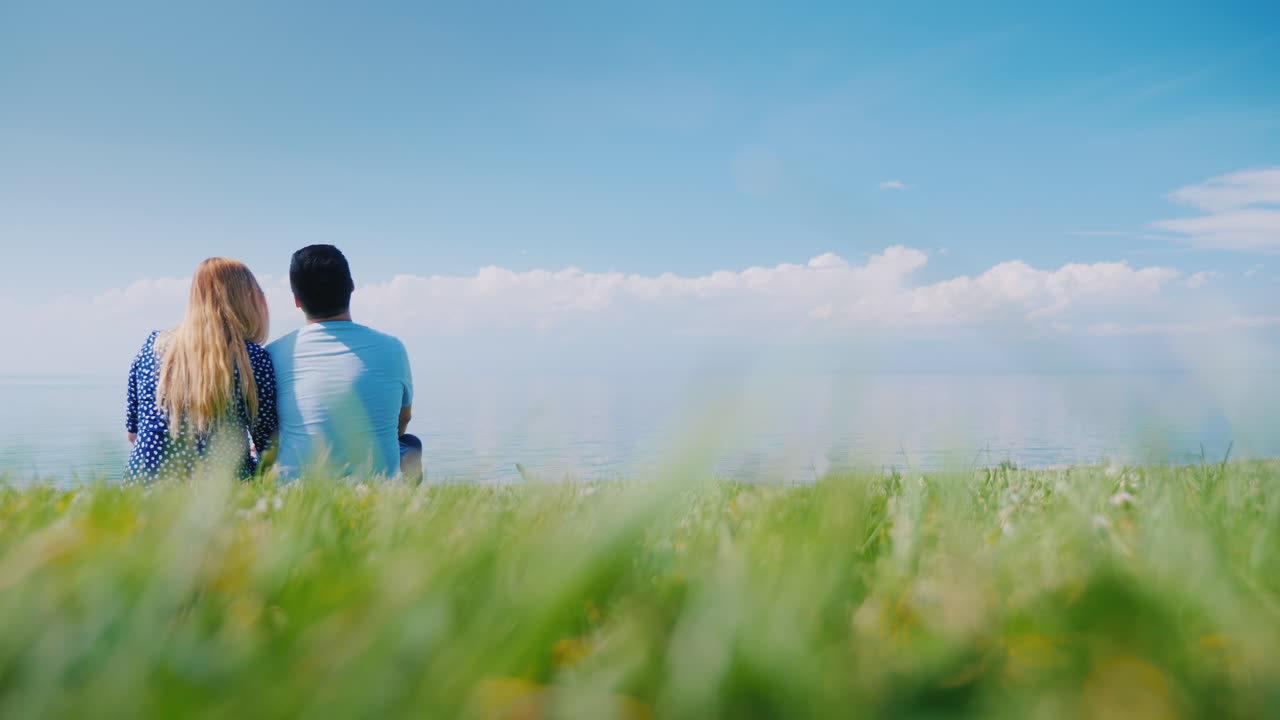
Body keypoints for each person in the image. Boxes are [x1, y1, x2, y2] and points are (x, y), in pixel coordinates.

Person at [266, 245, 421, 481]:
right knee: (408, 443)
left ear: (297, 300)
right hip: (377, 489)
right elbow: (403, 419)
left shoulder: (273, 354)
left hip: (296, 490)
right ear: (351, 286)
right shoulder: (393, 348)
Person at [125, 258, 278, 481]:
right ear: (248, 301)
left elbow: (133, 434)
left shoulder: (152, 347)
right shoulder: (252, 358)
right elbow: (269, 449)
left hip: (143, 490)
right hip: (221, 492)